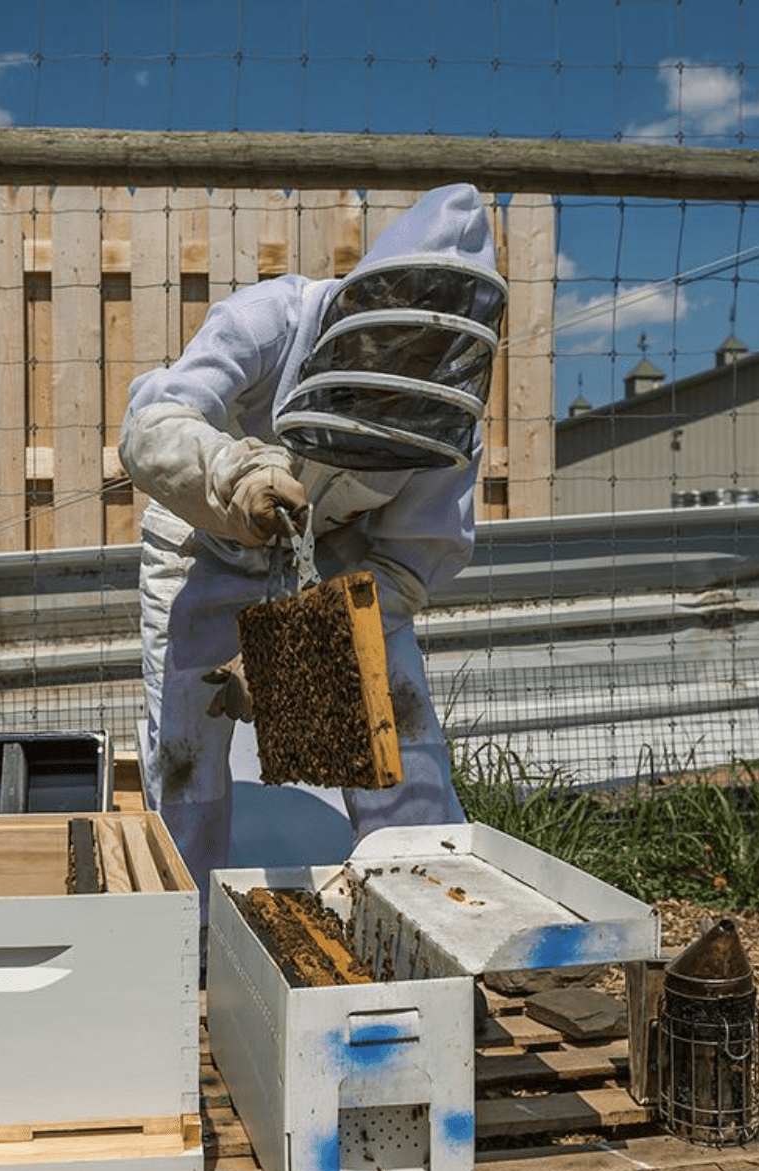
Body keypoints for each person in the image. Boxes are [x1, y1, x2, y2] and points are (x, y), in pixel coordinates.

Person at [120, 182, 506, 896]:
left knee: (399, 732)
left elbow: (411, 562)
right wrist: (237, 473)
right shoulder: (270, 318)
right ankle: (191, 929)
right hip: (203, 538)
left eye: (428, 353)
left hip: (336, 556)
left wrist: (299, 647)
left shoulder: (444, 418)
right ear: (365, 307)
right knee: (186, 745)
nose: (409, 367)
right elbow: (152, 427)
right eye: (399, 346)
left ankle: (427, 906)